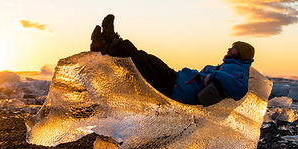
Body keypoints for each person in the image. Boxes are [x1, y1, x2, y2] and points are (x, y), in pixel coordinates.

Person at [90, 14, 255, 106]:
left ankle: (111, 41)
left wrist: (213, 76)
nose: (229, 49)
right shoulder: (229, 66)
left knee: (144, 60)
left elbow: (240, 89)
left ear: (241, 52)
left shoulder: (239, 69)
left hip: (177, 87)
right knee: (140, 64)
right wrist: (212, 73)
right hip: (178, 82)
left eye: (233, 47)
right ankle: (107, 44)